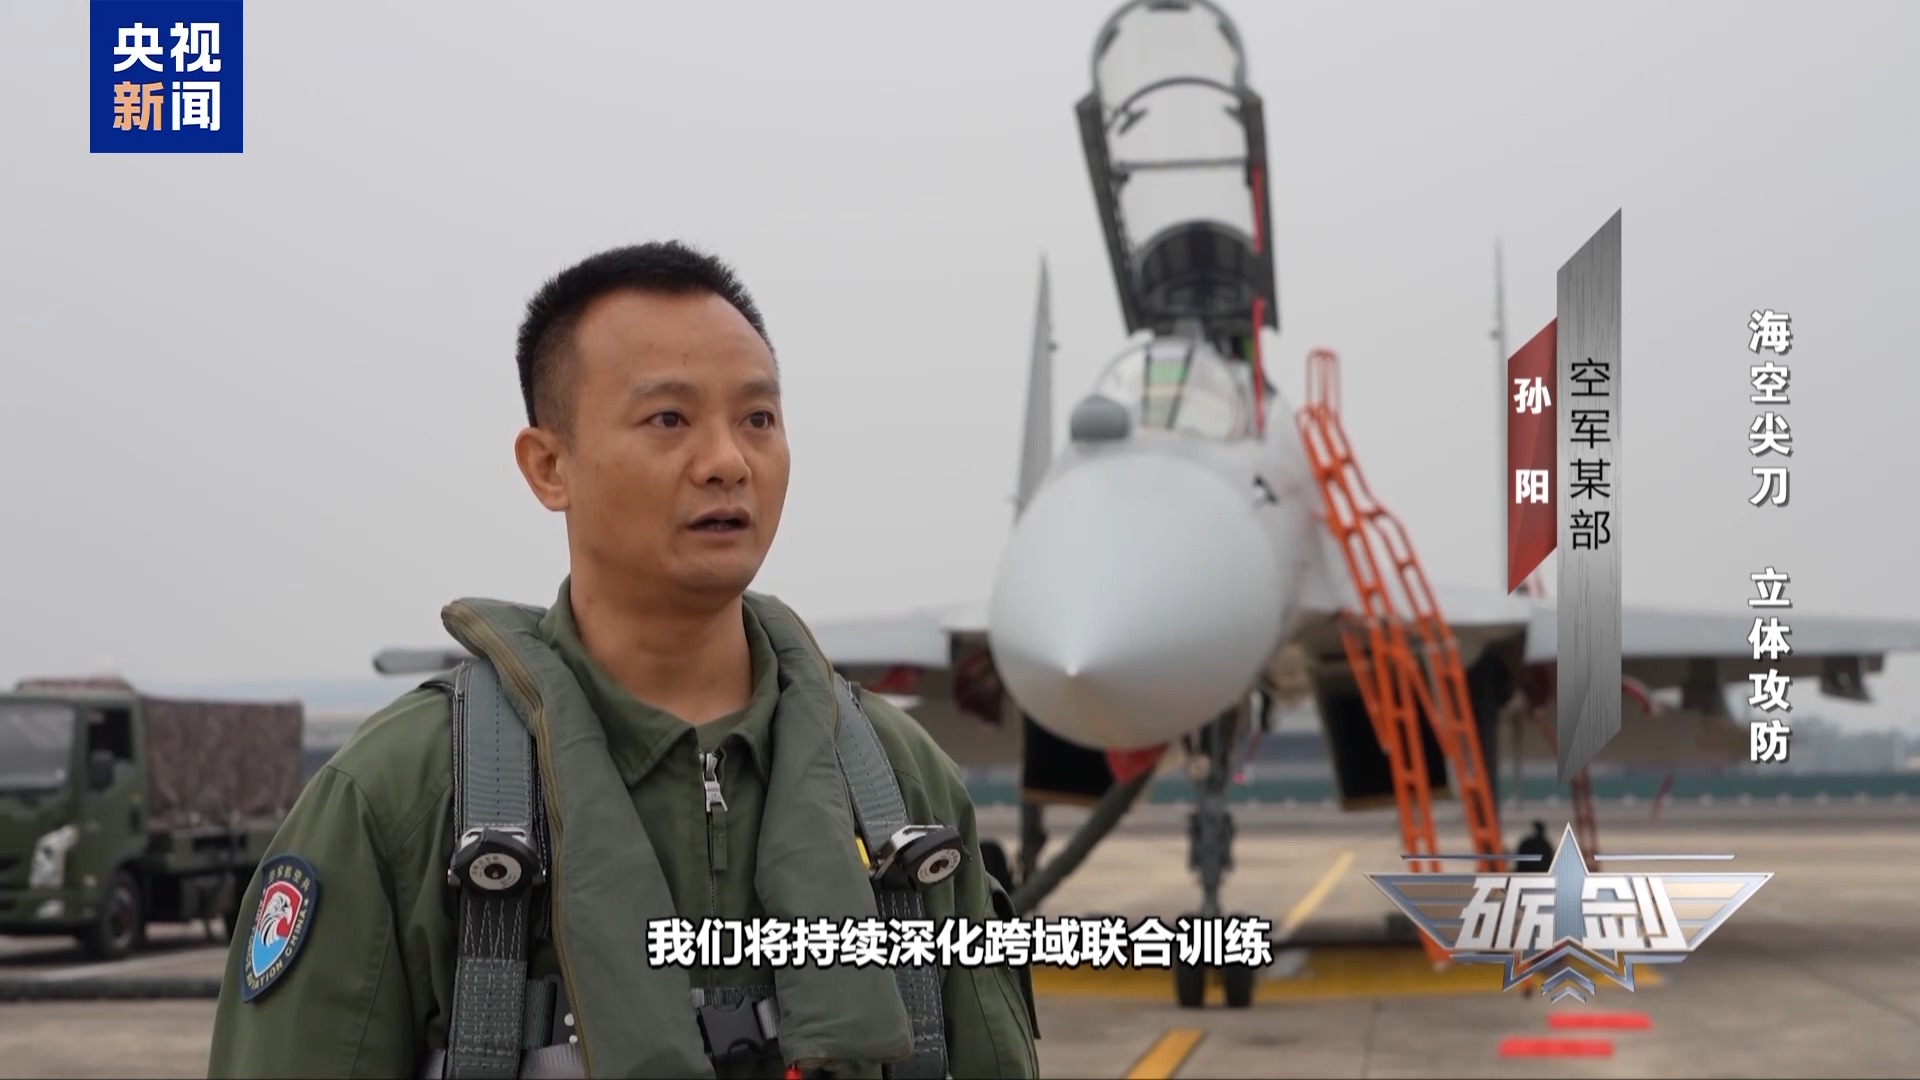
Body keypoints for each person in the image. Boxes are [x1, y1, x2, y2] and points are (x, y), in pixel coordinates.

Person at [206, 242, 1039, 1079]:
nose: (728, 462)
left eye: (758, 419)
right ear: (549, 467)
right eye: (669, 419)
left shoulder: (902, 793)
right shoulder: (404, 799)